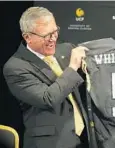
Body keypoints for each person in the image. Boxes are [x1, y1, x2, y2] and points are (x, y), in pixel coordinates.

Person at [3, 7, 90, 148]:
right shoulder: (15, 67)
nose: (53, 39)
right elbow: (47, 98)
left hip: (83, 140)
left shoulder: (66, 50)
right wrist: (72, 67)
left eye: (55, 32)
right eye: (46, 35)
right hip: (50, 143)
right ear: (27, 37)